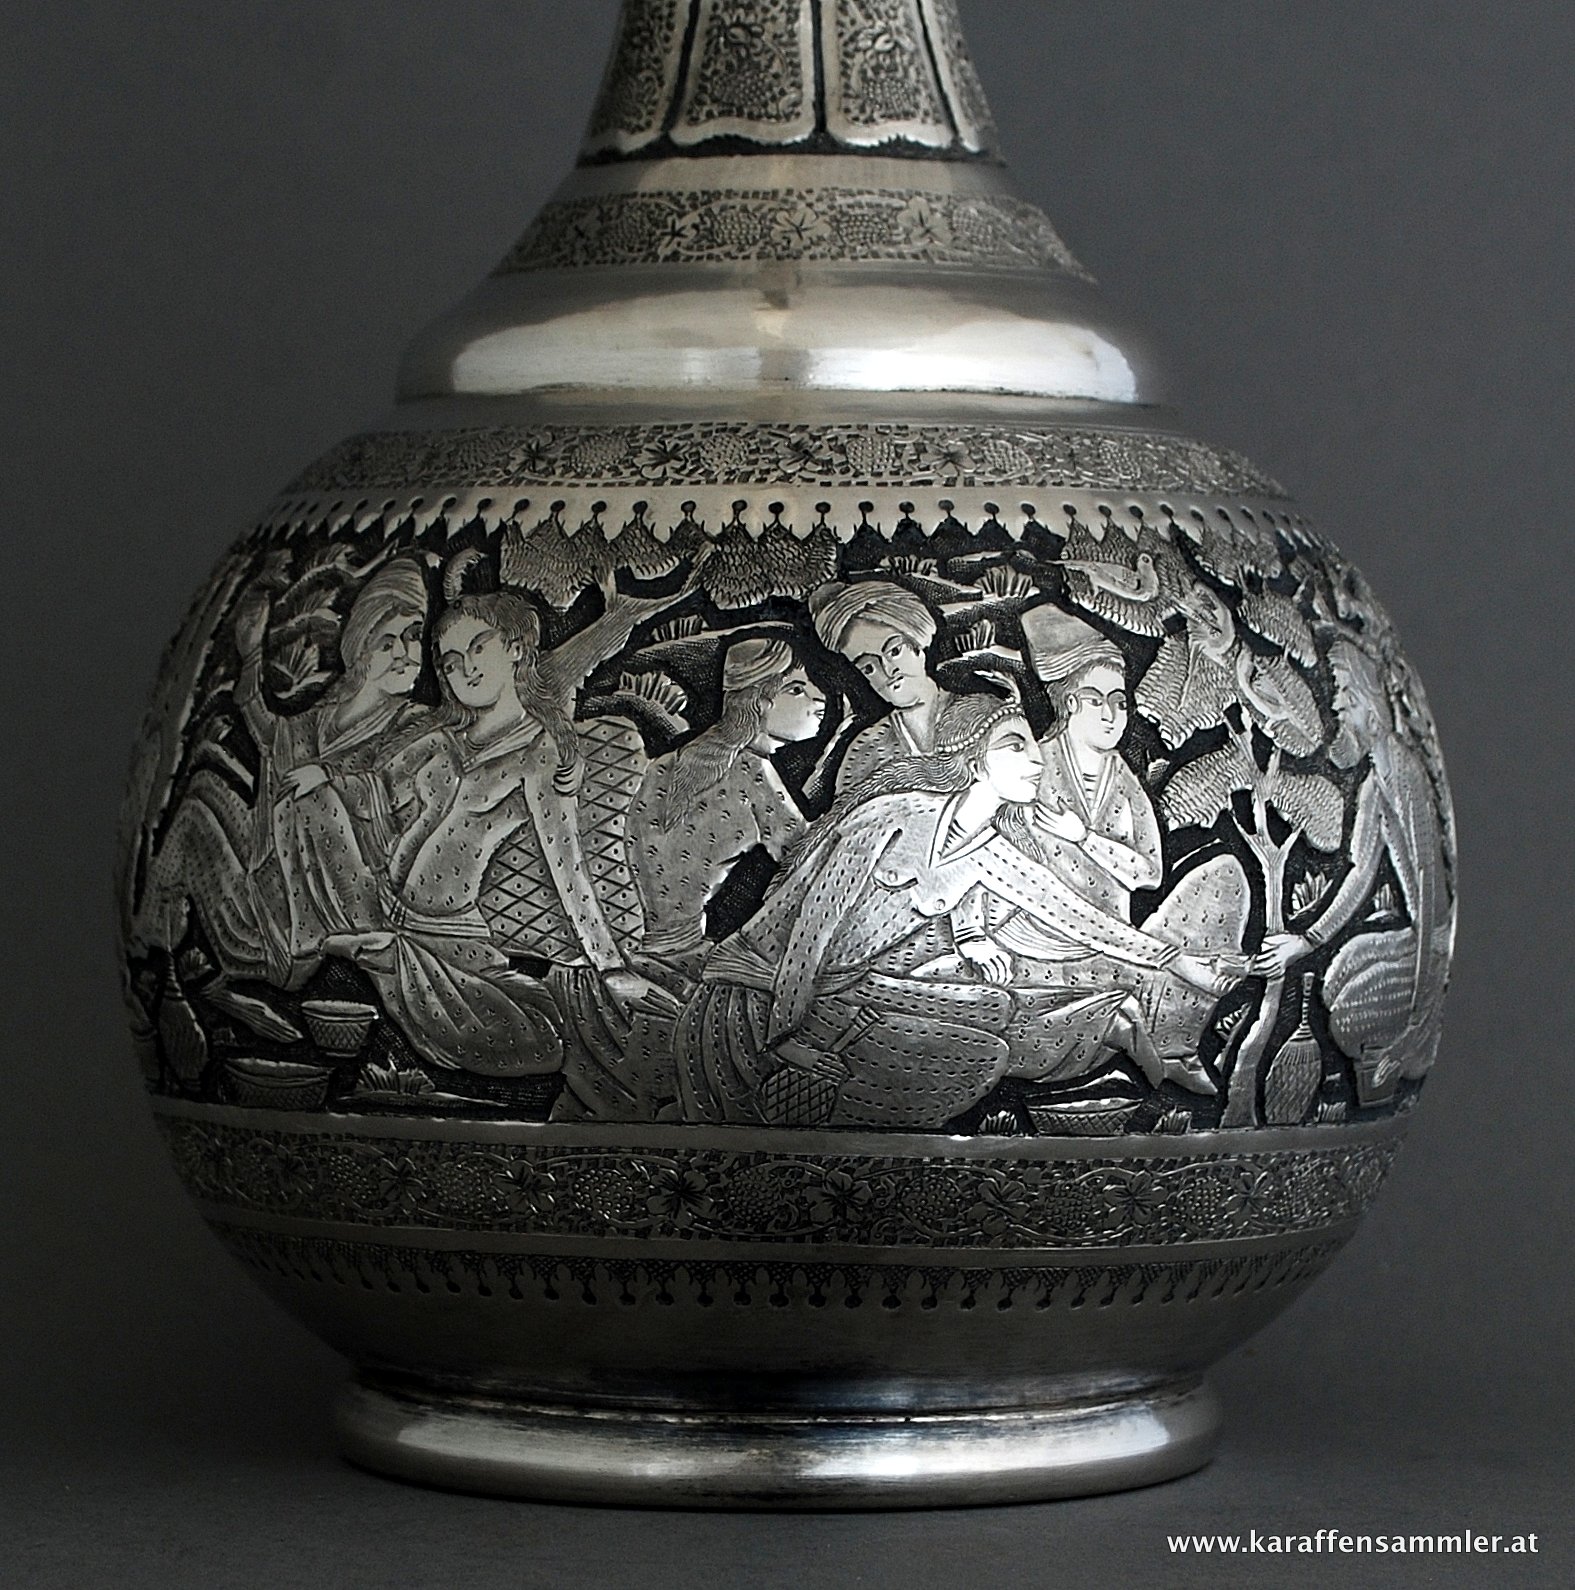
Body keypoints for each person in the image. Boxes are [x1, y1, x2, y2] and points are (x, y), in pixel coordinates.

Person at [675, 695, 1241, 1130]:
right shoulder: (891, 818)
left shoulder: (990, 850)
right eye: (1014, 746)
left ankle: (1135, 1046)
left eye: (1034, 747)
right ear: (972, 759)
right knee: (977, 1055)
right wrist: (788, 1039)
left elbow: (1076, 916)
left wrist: (1179, 963)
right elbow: (809, 931)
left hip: (850, 988)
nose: (1037, 761)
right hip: (763, 997)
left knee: (996, 1007)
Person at [329, 589, 676, 1097]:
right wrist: (327, 778)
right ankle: (371, 945)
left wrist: (610, 967)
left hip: (448, 937)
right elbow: (370, 793)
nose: (464, 670)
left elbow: (566, 865)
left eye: (478, 648)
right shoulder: (441, 738)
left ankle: (387, 957)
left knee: (539, 1043)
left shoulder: (538, 749)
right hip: (383, 903)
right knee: (312, 805)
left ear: (516, 647)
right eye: (450, 663)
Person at [132, 559, 432, 995]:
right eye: (388, 642)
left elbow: (398, 796)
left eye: (414, 636)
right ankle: (154, 943)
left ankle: (303, 945)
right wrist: (252, 654)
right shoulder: (323, 717)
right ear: (360, 650)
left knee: (313, 798)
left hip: (354, 893)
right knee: (201, 793)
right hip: (285, 870)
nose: (406, 654)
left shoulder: (415, 723)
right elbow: (271, 735)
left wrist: (328, 776)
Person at [1002, 605, 1251, 1066]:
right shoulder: (1032, 771)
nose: (1113, 715)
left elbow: (1150, 874)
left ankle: (1173, 1041)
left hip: (1125, 942)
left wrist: (1086, 839)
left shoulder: (1121, 777)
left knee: (1225, 875)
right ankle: (1156, 1029)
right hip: (1053, 952)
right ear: (1069, 703)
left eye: (1120, 701)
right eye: (1097, 700)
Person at [1254, 639, 1454, 1102]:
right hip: (1416, 936)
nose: (1337, 704)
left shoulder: (1404, 771)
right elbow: (1361, 872)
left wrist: (1418, 1014)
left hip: (1431, 939)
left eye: (1345, 691)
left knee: (1348, 1018)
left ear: (1368, 698)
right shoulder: (1374, 781)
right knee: (1336, 977)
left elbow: (1429, 885)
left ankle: (1381, 1077)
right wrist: (1305, 942)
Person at [628, 637, 826, 979]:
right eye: (796, 690)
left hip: (651, 944)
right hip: (692, 958)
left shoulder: (665, 764)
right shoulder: (750, 770)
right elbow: (811, 860)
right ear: (756, 703)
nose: (820, 699)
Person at [808, 580, 970, 794]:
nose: (887, 670)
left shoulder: (980, 712)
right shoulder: (865, 749)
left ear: (917, 643)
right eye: (869, 667)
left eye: (894, 651)